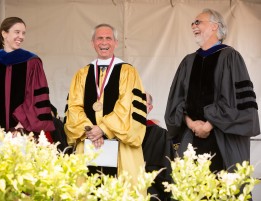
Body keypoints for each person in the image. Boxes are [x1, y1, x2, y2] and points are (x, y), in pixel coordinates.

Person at [164, 8, 260, 173]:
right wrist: (191, 123)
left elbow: (237, 102)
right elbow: (177, 100)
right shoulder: (188, 61)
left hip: (221, 138)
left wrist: (209, 125)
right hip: (190, 136)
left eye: (198, 22)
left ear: (215, 26)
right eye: (192, 23)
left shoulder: (230, 57)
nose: (193, 25)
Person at [64, 24, 147, 186]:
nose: (104, 42)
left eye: (108, 38)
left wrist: (103, 129)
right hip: (88, 142)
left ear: (116, 42)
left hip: (120, 144)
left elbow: (127, 106)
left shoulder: (128, 72)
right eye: (99, 38)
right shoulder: (82, 73)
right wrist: (89, 130)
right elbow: (74, 107)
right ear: (92, 43)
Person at [0, 17, 55, 144]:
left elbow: (34, 97)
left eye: (23, 33)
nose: (21, 36)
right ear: (4, 33)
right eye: (17, 32)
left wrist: (19, 125)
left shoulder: (32, 62)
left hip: (22, 130)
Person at [142, 93, 172, 201]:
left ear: (150, 108)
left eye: (143, 101)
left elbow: (164, 168)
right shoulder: (117, 131)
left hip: (149, 185)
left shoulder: (159, 133)